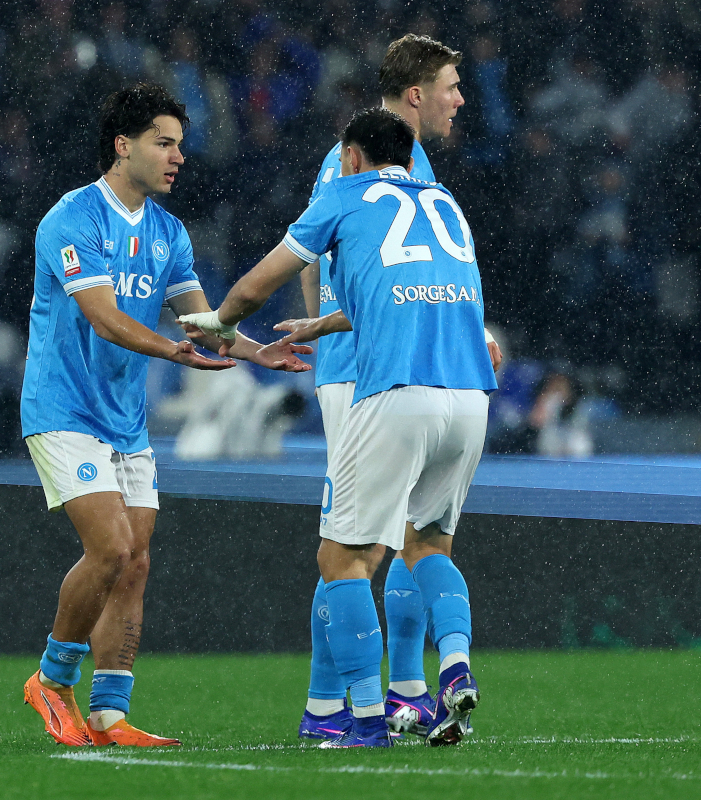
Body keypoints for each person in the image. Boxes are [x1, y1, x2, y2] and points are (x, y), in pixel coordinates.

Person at [181, 107, 497, 747]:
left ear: (351, 156)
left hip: (399, 393)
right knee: (429, 545)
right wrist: (321, 325)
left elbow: (258, 282)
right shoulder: (446, 203)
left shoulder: (344, 195)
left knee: (342, 558)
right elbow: (405, 294)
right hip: (470, 398)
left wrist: (221, 320)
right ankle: (456, 667)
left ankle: (363, 719)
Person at [20, 83, 312, 748]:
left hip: (124, 418)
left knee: (136, 562)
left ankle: (109, 715)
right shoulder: (73, 219)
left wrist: (256, 349)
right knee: (111, 547)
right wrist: (172, 348)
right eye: (165, 142)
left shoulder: (168, 233)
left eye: (180, 144)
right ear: (123, 147)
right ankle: (51, 680)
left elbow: (201, 324)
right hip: (63, 407)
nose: (179, 156)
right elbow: (104, 315)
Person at [293, 33, 501, 741]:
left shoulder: (416, 166)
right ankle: (338, 704)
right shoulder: (349, 159)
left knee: (395, 538)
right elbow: (312, 250)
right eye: (451, 85)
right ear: (415, 95)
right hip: (362, 370)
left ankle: (397, 690)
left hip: (413, 367)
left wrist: (470, 329)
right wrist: (325, 331)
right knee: (359, 544)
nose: (460, 99)